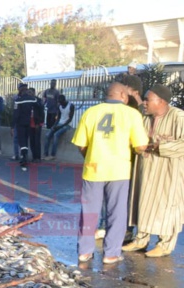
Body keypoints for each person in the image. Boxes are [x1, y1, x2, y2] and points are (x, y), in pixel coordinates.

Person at [73, 83, 148, 264]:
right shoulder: (132, 114)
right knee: (117, 212)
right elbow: (140, 146)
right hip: (119, 171)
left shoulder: (91, 112)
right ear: (122, 94)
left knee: (89, 212)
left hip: (93, 170)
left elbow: (81, 145)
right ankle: (111, 254)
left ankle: (84, 252)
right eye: (128, 94)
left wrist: (91, 156)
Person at [124, 85, 184, 258]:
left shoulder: (178, 117)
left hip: (169, 171)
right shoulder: (144, 117)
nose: (144, 102)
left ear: (161, 101)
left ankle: (165, 244)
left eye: (148, 99)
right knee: (143, 202)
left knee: (167, 206)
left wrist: (160, 146)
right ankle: (141, 239)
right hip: (145, 168)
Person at [11, 83, 38, 170]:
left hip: (20, 124)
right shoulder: (33, 99)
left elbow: (15, 115)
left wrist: (12, 126)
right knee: (26, 140)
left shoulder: (18, 100)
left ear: (21, 90)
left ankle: (24, 157)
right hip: (29, 123)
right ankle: (25, 156)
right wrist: (38, 122)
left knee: (21, 141)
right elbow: (39, 109)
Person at [44, 94, 74, 160]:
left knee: (56, 135)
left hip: (67, 125)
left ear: (64, 100)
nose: (61, 104)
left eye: (61, 102)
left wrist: (60, 127)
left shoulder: (71, 106)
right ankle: (46, 154)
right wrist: (54, 125)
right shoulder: (59, 105)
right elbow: (58, 118)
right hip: (60, 123)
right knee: (47, 135)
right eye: (59, 102)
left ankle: (53, 155)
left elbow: (70, 119)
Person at [28, 88, 45, 162]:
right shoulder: (28, 101)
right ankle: (34, 157)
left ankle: (38, 157)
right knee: (32, 141)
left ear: (34, 93)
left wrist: (39, 123)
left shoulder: (38, 101)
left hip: (37, 124)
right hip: (30, 124)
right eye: (29, 92)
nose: (30, 94)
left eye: (31, 92)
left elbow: (42, 113)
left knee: (37, 141)